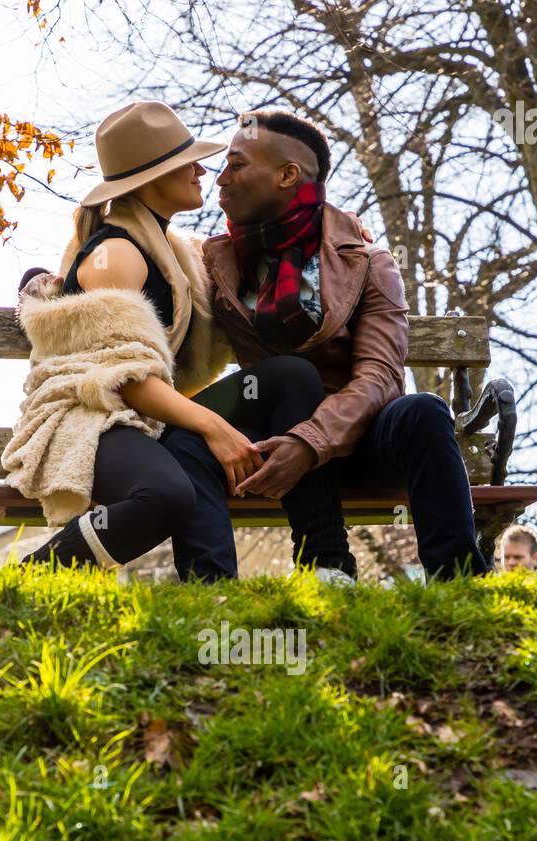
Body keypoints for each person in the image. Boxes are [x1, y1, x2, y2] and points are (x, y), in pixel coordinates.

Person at [162, 109, 491, 584]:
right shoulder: (215, 260)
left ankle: (460, 582)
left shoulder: (368, 263)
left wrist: (310, 441)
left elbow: (379, 377)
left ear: (287, 175)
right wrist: (52, 286)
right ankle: (293, 569)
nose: (220, 177)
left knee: (425, 411)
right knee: (275, 386)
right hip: (267, 439)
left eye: (236, 164)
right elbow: (143, 267)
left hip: (359, 440)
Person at [6, 100, 326, 572]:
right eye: (185, 162)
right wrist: (214, 427)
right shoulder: (118, 252)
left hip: (148, 413)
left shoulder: (175, 253)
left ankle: (324, 561)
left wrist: (335, 228)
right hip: (92, 413)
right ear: (150, 178)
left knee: (290, 377)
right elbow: (123, 377)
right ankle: (32, 576)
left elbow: (259, 253)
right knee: (165, 495)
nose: (202, 170)